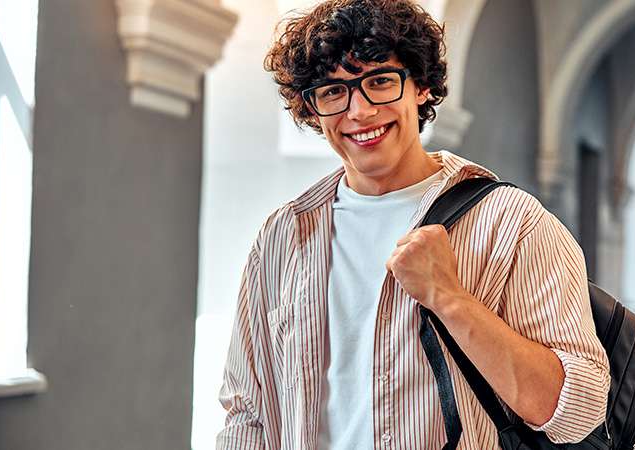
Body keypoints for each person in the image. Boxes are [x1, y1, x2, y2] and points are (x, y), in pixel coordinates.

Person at [216, 1, 611, 448]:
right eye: (332, 92)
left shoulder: (513, 224)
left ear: (420, 86)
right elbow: (247, 413)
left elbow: (580, 408)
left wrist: (450, 298)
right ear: (313, 109)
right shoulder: (282, 238)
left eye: (380, 81)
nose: (359, 112)